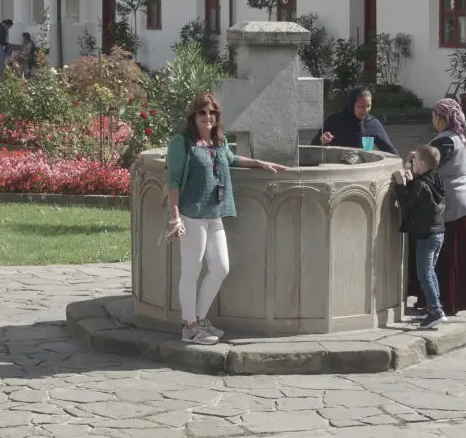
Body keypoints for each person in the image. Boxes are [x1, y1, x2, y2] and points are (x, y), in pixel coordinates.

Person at [166, 93, 287, 345]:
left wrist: (260, 163)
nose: (207, 116)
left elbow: (231, 159)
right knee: (191, 271)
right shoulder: (182, 142)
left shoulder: (219, 141)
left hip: (215, 213)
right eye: (202, 112)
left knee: (221, 268)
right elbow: (173, 180)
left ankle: (199, 319)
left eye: (212, 112)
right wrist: (175, 216)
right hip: (192, 214)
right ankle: (190, 327)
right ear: (194, 116)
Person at [408, 98, 466, 316]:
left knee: (443, 256)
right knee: (456, 252)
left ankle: (442, 301)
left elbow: (428, 166)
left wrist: (414, 161)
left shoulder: (446, 141)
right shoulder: (463, 138)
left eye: (434, 116)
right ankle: (450, 299)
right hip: (461, 200)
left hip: (446, 203)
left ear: (441, 118)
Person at [394, 145, 447, 329]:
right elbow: (423, 198)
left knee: (424, 274)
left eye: (414, 160)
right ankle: (435, 307)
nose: (412, 162)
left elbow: (406, 203)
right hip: (439, 232)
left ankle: (435, 311)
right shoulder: (436, 178)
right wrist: (412, 179)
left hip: (426, 235)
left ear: (422, 164)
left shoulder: (419, 184)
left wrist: (401, 184)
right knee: (430, 272)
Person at [311, 86, 398, 154]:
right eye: (362, 107)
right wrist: (321, 140)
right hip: (340, 167)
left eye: (368, 106)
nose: (366, 110)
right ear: (351, 105)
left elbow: (390, 151)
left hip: (365, 167)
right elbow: (313, 146)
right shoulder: (335, 120)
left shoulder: (373, 124)